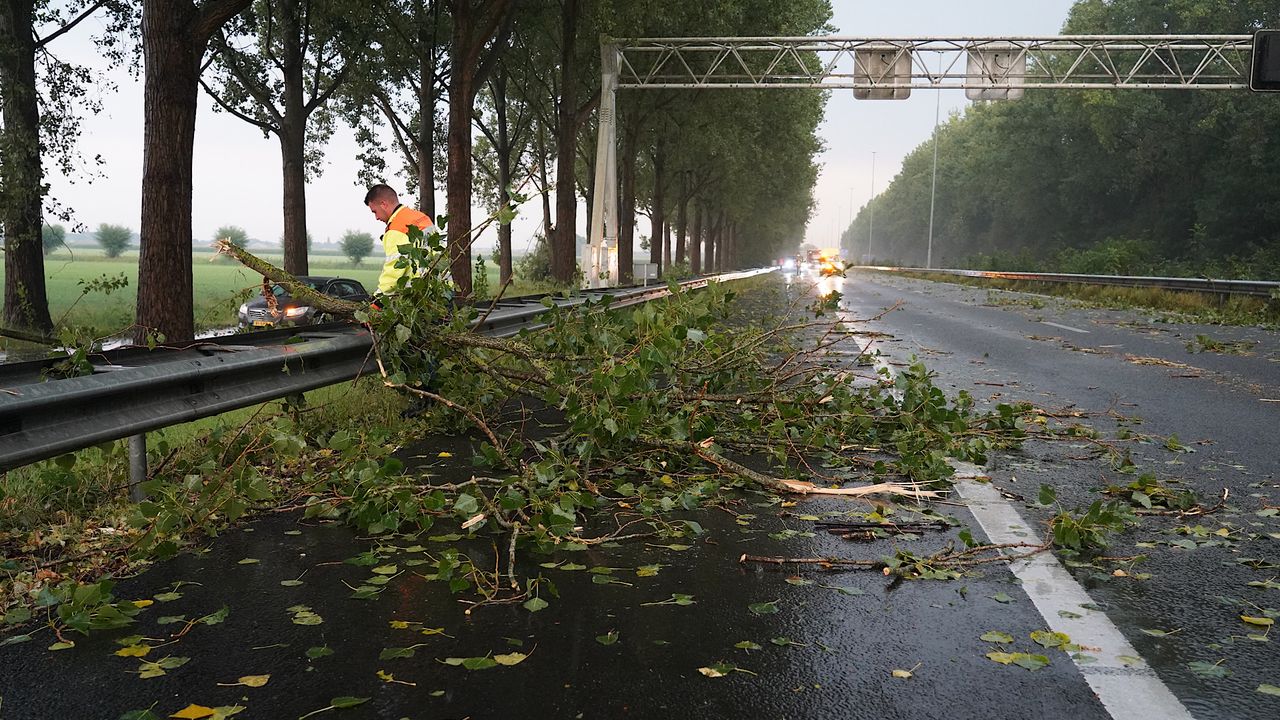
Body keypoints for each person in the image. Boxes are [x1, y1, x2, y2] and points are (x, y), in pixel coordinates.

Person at [364, 184, 435, 301]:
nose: (376, 217)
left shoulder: (396, 228)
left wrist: (378, 299)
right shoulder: (421, 217)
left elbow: (394, 269)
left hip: (418, 296)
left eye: (374, 211)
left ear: (383, 204)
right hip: (440, 288)